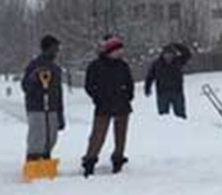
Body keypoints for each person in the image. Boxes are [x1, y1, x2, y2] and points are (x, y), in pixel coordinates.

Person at [82, 36, 135, 177]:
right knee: (98, 136)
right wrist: (97, 97)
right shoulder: (95, 66)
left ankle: (118, 159)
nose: (120, 53)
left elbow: (130, 83)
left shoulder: (123, 66)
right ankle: (90, 160)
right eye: (117, 50)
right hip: (103, 105)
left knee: (121, 135)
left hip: (122, 104)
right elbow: (89, 85)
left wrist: (128, 96)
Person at [21, 35, 65, 161]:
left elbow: (58, 92)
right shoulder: (34, 65)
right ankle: (33, 160)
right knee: (37, 137)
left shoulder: (56, 68)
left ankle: (45, 158)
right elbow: (25, 86)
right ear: (47, 48)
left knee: (50, 137)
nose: (57, 52)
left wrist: (60, 115)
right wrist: (33, 78)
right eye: (55, 49)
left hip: (52, 108)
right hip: (37, 108)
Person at [145, 43, 192, 119]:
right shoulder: (157, 64)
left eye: (171, 54)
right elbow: (150, 77)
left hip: (177, 92)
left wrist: (177, 45)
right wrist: (147, 88)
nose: (168, 56)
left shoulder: (178, 61)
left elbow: (188, 54)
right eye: (167, 54)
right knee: (163, 117)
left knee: (180, 115)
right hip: (162, 93)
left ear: (174, 54)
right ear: (163, 54)